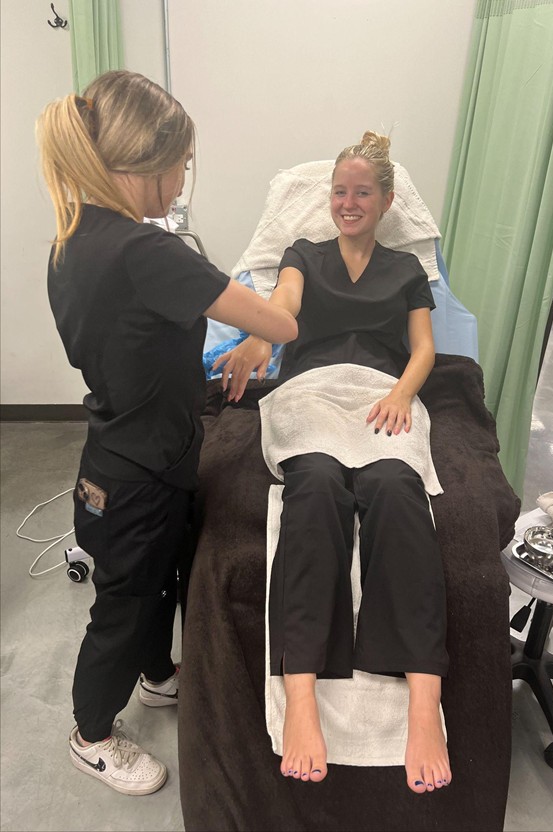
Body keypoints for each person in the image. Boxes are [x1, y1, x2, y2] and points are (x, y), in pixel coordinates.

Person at [36, 70, 297, 796]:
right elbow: (281, 323)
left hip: (123, 450)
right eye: (182, 162)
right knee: (123, 606)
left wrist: (237, 347)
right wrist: (294, 269)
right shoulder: (149, 253)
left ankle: (156, 678)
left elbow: (137, 336)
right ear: (150, 164)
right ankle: (91, 736)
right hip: (140, 473)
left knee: (155, 584)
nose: (184, 176)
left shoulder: (72, 238)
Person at [214, 132, 452, 795]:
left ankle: (424, 706)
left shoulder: (406, 268)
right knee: (313, 486)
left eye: (362, 192)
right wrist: (260, 334)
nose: (348, 202)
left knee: (398, 491)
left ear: (386, 200)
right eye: (340, 192)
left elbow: (424, 349)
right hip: (312, 391)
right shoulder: (303, 255)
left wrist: (403, 393)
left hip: (382, 394)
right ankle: (301, 699)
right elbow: (284, 306)